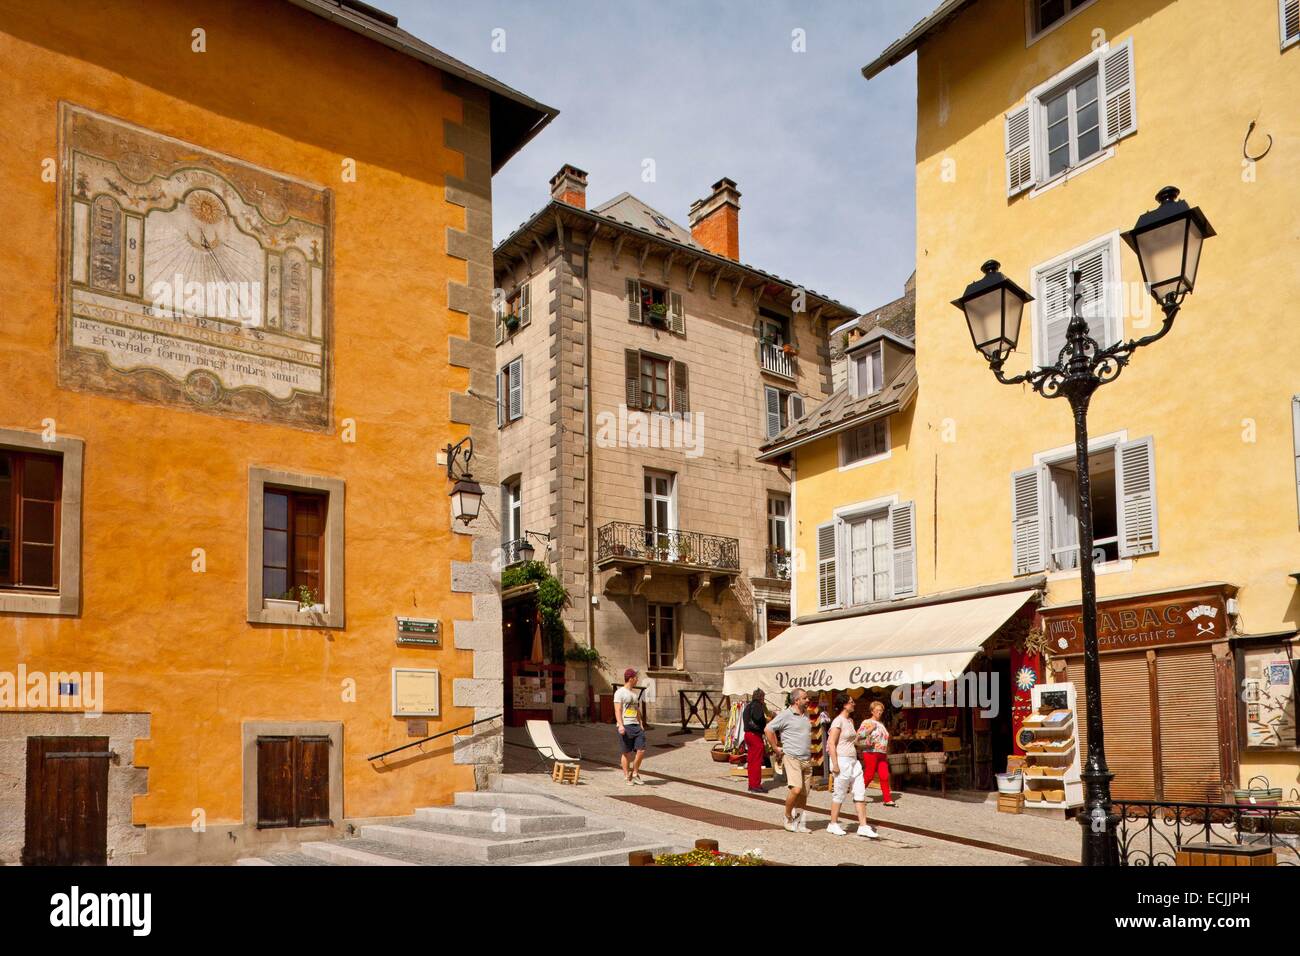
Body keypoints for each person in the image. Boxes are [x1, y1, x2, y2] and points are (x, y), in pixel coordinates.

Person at [826, 693, 879, 838]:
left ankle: (863, 826)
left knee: (860, 790)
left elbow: (854, 740)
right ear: (844, 705)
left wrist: (867, 732)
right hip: (841, 759)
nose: (853, 704)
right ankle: (833, 823)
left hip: (853, 760)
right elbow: (831, 743)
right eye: (851, 702)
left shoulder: (849, 720)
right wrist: (835, 764)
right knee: (840, 792)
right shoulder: (838, 721)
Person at [765, 688, 814, 832]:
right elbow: (768, 729)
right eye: (805, 698)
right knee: (796, 789)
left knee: (804, 793)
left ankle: (799, 822)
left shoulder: (806, 714)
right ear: (796, 700)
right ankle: (787, 817)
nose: (808, 700)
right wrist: (775, 747)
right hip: (792, 756)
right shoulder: (786, 714)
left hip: (806, 758)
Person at [859, 699, 897, 807]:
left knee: (884, 776)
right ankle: (858, 795)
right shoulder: (867, 722)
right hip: (871, 752)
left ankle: (887, 799)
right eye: (877, 710)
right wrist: (870, 729)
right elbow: (860, 734)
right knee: (869, 775)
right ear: (872, 711)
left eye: (881, 710)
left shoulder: (881, 724)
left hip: (882, 753)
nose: (879, 712)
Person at [614, 667, 646, 785]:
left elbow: (637, 710)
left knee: (641, 750)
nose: (637, 680)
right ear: (631, 679)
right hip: (626, 725)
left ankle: (635, 773)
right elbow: (617, 710)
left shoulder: (634, 694)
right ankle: (627, 776)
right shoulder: (620, 693)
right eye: (636, 678)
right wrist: (620, 725)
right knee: (626, 753)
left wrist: (641, 723)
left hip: (636, 726)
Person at [741, 688, 769, 793]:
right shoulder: (757, 705)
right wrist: (765, 721)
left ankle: (752, 784)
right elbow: (758, 718)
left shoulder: (748, 706)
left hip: (748, 734)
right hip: (755, 735)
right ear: (760, 697)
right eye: (763, 697)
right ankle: (756, 785)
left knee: (752, 761)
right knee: (757, 761)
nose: (764, 699)